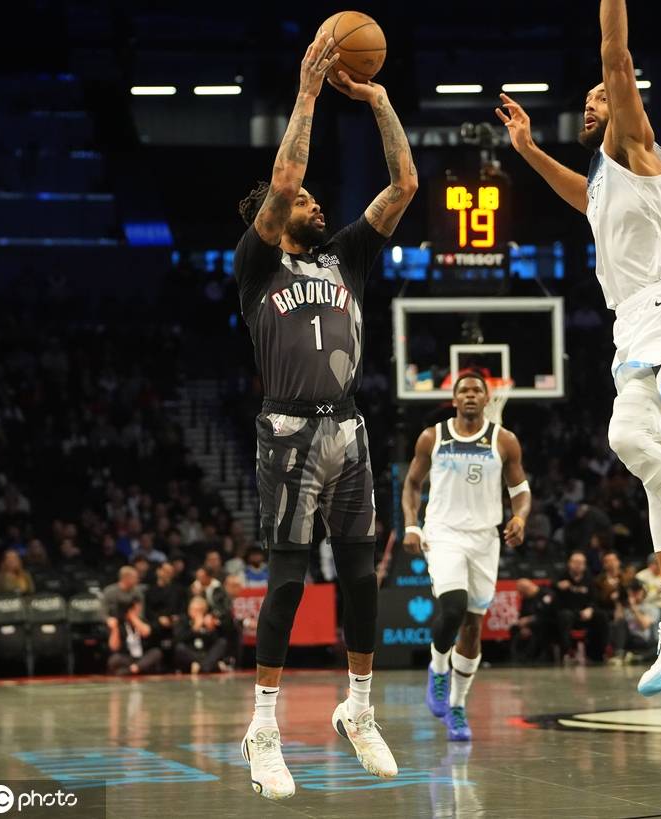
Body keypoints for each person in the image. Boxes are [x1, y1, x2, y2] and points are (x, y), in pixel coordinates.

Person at [496, 0, 661, 697]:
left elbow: (616, 53)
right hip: (635, 322)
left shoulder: (638, 147)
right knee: (655, 464)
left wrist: (613, 32)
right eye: (586, 99)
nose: (590, 103)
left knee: (627, 437)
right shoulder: (607, 177)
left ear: (627, 102)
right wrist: (527, 150)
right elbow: (583, 198)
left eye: (601, 96)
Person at [233, 28, 416, 797]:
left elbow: (404, 184)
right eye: (304, 202)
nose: (314, 203)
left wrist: (379, 100)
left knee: (363, 578)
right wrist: (307, 93)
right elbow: (284, 179)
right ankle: (262, 728)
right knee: (287, 581)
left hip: (348, 425)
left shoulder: (347, 257)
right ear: (274, 218)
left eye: (313, 199)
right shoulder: (257, 264)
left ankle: (359, 708)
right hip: (287, 429)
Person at [401, 372, 531, 741]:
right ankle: (438, 668)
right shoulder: (433, 437)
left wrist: (520, 517)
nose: (470, 395)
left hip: (485, 539)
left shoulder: (504, 440)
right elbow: (412, 484)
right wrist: (412, 525)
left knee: (473, 626)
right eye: (464, 390)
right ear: (454, 399)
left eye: (477, 390)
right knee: (453, 606)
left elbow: (520, 490)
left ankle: (457, 707)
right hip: (444, 533)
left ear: (488, 399)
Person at [551, 551, 610, 664]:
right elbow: (551, 586)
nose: (578, 565)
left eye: (581, 563)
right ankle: (568, 652)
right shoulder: (561, 576)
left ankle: (600, 653)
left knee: (601, 616)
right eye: (575, 562)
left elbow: (594, 599)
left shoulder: (589, 579)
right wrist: (557, 586)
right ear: (569, 563)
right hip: (568, 613)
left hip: (584, 613)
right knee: (565, 616)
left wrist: (590, 609)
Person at [173, 596, 229, 674]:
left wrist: (210, 629)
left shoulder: (208, 620)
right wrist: (194, 628)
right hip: (191, 654)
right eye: (193, 609)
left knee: (222, 642)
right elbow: (179, 639)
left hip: (205, 652)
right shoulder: (183, 620)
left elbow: (214, 642)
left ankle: (203, 667)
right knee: (180, 648)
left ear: (204, 611)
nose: (195, 612)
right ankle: (212, 666)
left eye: (199, 610)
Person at [107, 600, 163, 676]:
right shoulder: (121, 625)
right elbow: (114, 647)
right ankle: (137, 669)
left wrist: (133, 618)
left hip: (143, 657)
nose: (138, 610)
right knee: (114, 659)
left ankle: (132, 670)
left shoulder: (142, 621)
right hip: (129, 658)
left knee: (156, 653)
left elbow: (146, 632)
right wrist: (114, 628)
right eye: (134, 609)